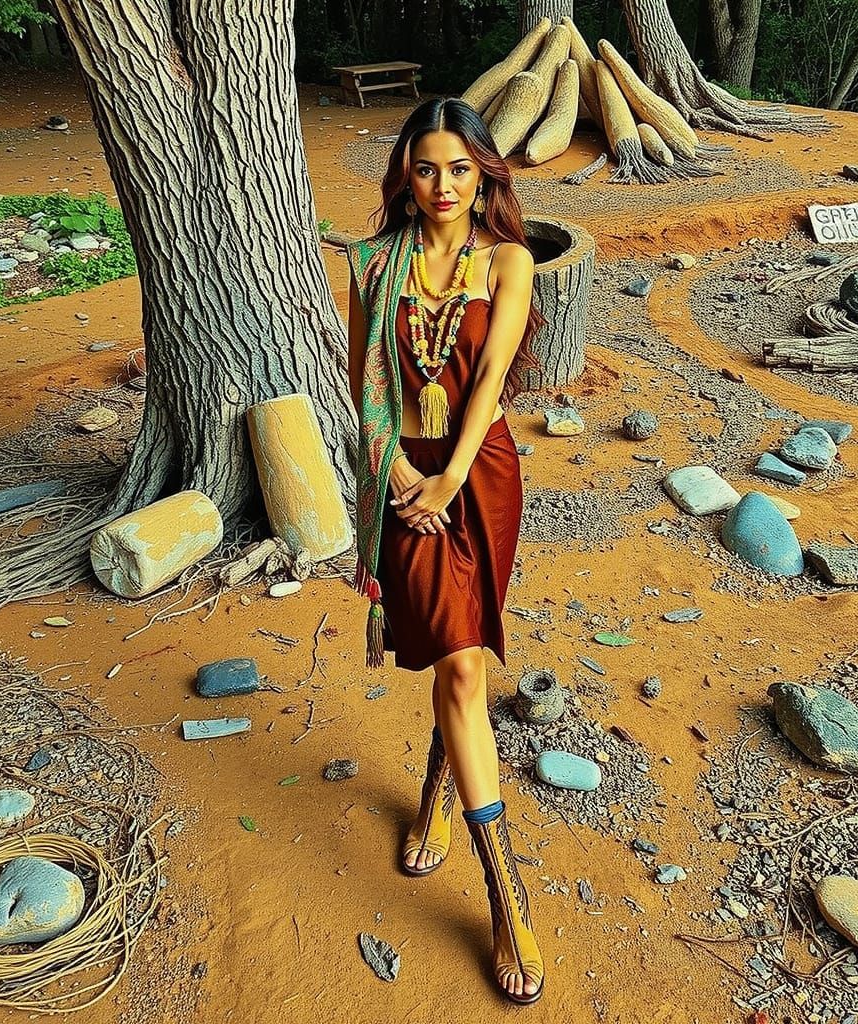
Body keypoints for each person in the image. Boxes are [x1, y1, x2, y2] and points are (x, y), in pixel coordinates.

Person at [345, 96, 546, 1005]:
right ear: (405, 174)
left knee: (461, 662)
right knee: (456, 659)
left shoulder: (508, 260)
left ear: (484, 174)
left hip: (479, 474)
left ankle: (476, 862)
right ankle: (492, 877)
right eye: (426, 168)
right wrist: (394, 484)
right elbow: (366, 393)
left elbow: (492, 378)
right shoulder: (374, 263)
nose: (442, 186)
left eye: (460, 169)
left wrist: (449, 482)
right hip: (403, 479)